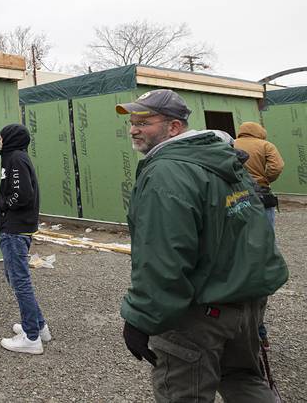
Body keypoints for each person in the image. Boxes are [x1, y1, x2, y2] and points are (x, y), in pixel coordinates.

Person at [115, 89, 288, 401]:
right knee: (243, 381)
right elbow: (253, 233)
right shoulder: (223, 160)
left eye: (144, 121)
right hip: (243, 303)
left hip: (199, 313)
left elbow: (164, 255)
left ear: (175, 127)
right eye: (132, 121)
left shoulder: (167, 172)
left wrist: (141, 318)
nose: (134, 128)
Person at [0, 124, 51, 354]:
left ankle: (31, 338)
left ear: (11, 138)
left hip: (14, 230)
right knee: (16, 278)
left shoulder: (15, 158)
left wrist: (4, 206)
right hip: (17, 229)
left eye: (1, 136)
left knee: (20, 281)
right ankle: (39, 326)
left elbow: (22, 194)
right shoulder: (15, 157)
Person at [233, 121, 284, 228]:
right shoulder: (266, 145)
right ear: (260, 131)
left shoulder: (231, 143)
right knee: (266, 231)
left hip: (235, 192)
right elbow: (276, 167)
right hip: (260, 192)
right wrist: (265, 180)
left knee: (242, 231)